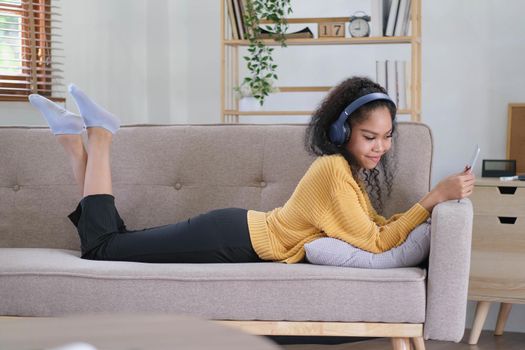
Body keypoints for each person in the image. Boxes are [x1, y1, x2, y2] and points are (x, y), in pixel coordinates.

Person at [28, 77, 475, 264]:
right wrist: (433, 198)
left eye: (387, 136)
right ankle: (99, 137)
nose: (381, 147)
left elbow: (377, 228)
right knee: (103, 250)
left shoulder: (347, 175)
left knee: (111, 242)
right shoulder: (332, 171)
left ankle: (73, 143)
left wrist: (427, 208)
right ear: (342, 132)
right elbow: (378, 244)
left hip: (235, 231)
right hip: (233, 239)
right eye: (369, 137)